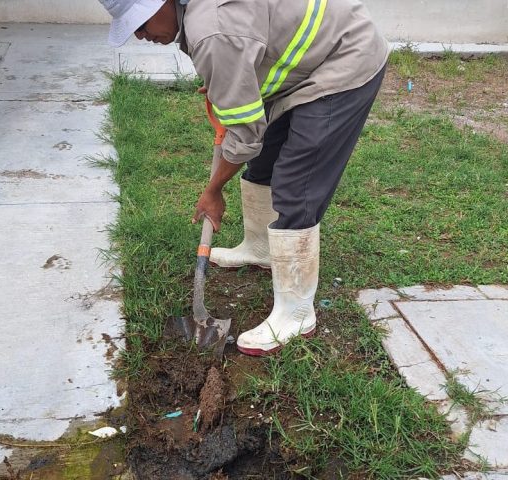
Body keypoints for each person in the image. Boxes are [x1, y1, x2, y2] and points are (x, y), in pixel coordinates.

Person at [98, 0, 388, 356]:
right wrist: (228, 84)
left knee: (297, 179)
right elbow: (243, 54)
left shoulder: (211, 30)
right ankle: (261, 248)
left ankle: (296, 314)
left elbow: (244, 136)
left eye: (140, 23)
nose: (141, 35)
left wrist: (213, 190)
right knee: (265, 159)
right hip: (305, 60)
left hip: (343, 58)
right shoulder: (201, 21)